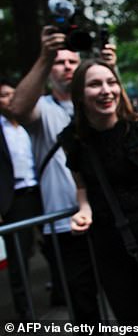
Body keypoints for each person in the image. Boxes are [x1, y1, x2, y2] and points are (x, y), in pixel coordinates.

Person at [59, 59, 138, 325]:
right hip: (109, 248)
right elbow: (82, 188)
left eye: (111, 82)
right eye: (95, 84)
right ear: (80, 94)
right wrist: (84, 210)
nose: (106, 90)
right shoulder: (73, 139)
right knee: (132, 321)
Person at [9, 26, 114, 322]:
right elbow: (16, 107)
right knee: (84, 305)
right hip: (67, 226)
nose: (67, 66)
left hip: (108, 218)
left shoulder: (97, 103)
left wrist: (109, 69)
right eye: (59, 62)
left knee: (121, 295)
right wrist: (45, 56)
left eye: (72, 61)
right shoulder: (41, 108)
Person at [0, 78, 43, 320]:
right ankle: (24, 311)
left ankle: (59, 290)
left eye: (13, 94)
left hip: (39, 192)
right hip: (15, 199)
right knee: (19, 255)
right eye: (4, 95)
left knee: (51, 245)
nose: (10, 99)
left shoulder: (31, 124)